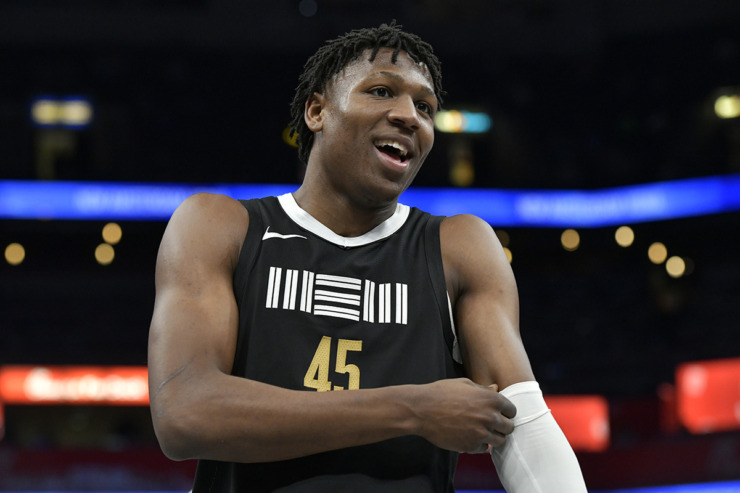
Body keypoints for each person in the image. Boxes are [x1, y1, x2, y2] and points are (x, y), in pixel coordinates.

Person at [147, 22, 587, 492]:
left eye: (425, 107)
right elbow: (185, 414)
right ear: (317, 111)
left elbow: (525, 428)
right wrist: (412, 409)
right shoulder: (219, 226)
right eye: (381, 91)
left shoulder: (460, 247)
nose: (409, 116)